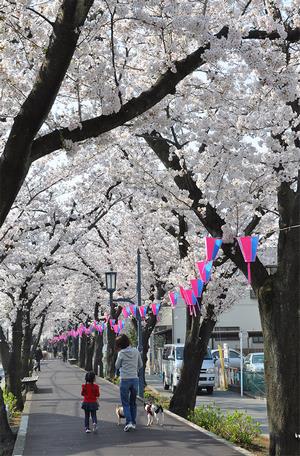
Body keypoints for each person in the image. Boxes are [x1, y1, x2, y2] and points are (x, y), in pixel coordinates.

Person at [115, 334, 143, 432]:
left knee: (125, 403)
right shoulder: (136, 351)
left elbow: (117, 366)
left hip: (124, 380)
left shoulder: (121, 353)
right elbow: (140, 365)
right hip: (134, 379)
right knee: (133, 403)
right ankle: (133, 423)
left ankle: (129, 422)